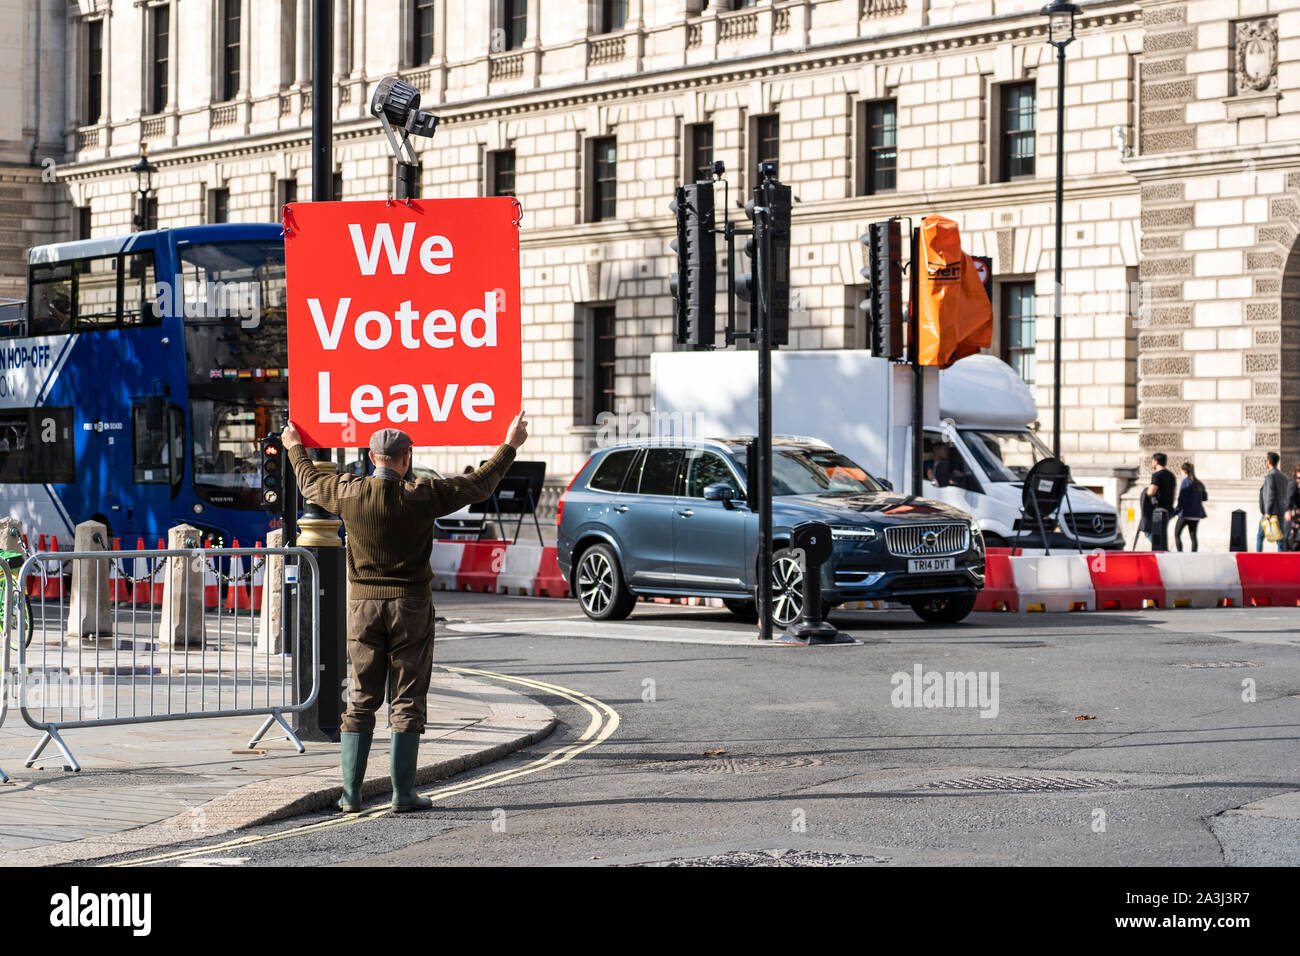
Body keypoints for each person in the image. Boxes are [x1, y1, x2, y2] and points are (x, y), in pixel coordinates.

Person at [282, 409, 529, 812]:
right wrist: (510, 445)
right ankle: (402, 793)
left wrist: (295, 446)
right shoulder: (422, 495)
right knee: (408, 698)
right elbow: (478, 485)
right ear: (406, 458)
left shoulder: (348, 491)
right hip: (411, 606)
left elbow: (308, 481)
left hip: (362, 605)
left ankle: (350, 795)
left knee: (360, 697)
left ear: (369, 457)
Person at [1139, 452, 1176, 546]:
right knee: (1162, 533)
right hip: (1168, 509)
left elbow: (1151, 492)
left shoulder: (1157, 475)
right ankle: (1162, 549)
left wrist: (1145, 491)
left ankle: (1160, 549)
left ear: (1156, 461)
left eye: (1152, 461)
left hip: (1157, 510)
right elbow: (1174, 494)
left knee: (1150, 532)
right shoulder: (1171, 476)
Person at [1257, 451, 1288, 552]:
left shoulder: (1270, 476)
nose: (1265, 462)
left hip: (1271, 512)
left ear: (1269, 461)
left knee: (1260, 536)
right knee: (1280, 538)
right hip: (1281, 511)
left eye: (1266, 460)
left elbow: (1270, 495)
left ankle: (1257, 557)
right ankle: (1281, 559)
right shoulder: (1283, 477)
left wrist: (1267, 512)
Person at [1173, 461, 1206, 553]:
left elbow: (1182, 499)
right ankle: (1194, 554)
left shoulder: (1185, 482)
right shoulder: (1198, 483)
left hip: (1185, 514)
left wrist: (1175, 512)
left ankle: (1180, 553)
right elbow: (1205, 497)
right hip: (1196, 514)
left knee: (1177, 534)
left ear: (1184, 471)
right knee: (1193, 537)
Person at [1285, 463, 1300, 552]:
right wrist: (1288, 511)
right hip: (1294, 516)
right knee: (1292, 539)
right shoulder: (1292, 484)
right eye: (1298, 478)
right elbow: (1289, 499)